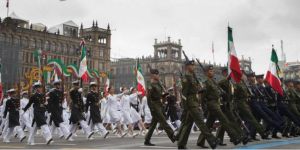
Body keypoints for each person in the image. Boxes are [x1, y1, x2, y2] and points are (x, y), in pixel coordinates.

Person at [197, 65, 247, 147]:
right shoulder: (206, 83)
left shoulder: (213, 81)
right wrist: (204, 109)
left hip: (217, 104)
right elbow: (202, 98)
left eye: (212, 71)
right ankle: (235, 137)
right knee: (224, 120)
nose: (212, 72)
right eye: (210, 71)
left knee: (208, 125)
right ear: (206, 73)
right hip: (212, 104)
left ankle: (200, 141)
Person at [177, 61, 218, 149]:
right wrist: (185, 106)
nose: (194, 67)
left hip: (194, 102)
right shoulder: (186, 78)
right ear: (187, 66)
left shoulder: (193, 77)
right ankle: (212, 140)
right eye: (192, 65)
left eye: (194, 65)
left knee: (188, 124)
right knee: (201, 122)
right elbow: (184, 93)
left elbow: (194, 90)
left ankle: (181, 143)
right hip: (191, 104)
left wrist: (200, 90)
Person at [144, 68, 176, 146]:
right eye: (156, 74)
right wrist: (151, 108)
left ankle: (147, 140)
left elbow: (160, 95)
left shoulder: (159, 84)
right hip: (154, 105)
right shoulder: (150, 85)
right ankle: (173, 136)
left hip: (159, 104)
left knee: (153, 124)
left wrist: (164, 95)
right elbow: (149, 98)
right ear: (152, 75)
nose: (158, 75)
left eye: (158, 74)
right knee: (163, 120)